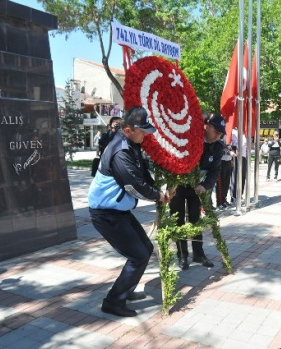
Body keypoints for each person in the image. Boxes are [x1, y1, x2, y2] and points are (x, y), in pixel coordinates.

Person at [88, 106, 170, 317]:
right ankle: (113, 302)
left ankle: (125, 290)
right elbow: (133, 184)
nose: (144, 135)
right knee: (138, 255)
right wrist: (157, 196)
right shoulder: (121, 151)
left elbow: (142, 172)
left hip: (118, 211)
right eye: (141, 131)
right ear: (127, 129)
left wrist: (158, 190)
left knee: (145, 248)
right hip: (106, 213)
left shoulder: (131, 144)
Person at [170, 114, 225, 270]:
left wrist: (205, 185)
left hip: (197, 188)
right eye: (217, 131)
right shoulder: (190, 139)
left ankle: (198, 254)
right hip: (178, 186)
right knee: (178, 220)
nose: (219, 135)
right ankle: (182, 256)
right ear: (207, 126)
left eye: (221, 132)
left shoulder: (218, 147)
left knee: (196, 221)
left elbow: (215, 171)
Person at [229, 127, 247, 205]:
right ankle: (233, 197)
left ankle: (240, 194)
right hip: (236, 155)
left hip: (243, 155)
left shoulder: (244, 132)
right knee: (235, 176)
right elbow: (232, 144)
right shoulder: (232, 131)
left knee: (242, 176)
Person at [215, 133, 232, 210]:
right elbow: (220, 146)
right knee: (220, 184)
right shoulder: (220, 134)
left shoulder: (230, 135)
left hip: (228, 160)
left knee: (226, 183)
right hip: (221, 161)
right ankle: (219, 202)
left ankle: (224, 200)